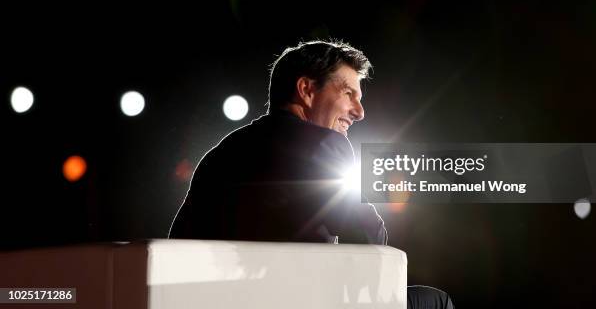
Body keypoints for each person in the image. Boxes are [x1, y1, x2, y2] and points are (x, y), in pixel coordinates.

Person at [169, 40, 454, 308]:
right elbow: (369, 238)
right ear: (306, 89)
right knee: (435, 301)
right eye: (349, 94)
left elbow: (178, 247)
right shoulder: (323, 143)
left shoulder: (221, 152)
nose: (360, 111)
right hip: (301, 301)